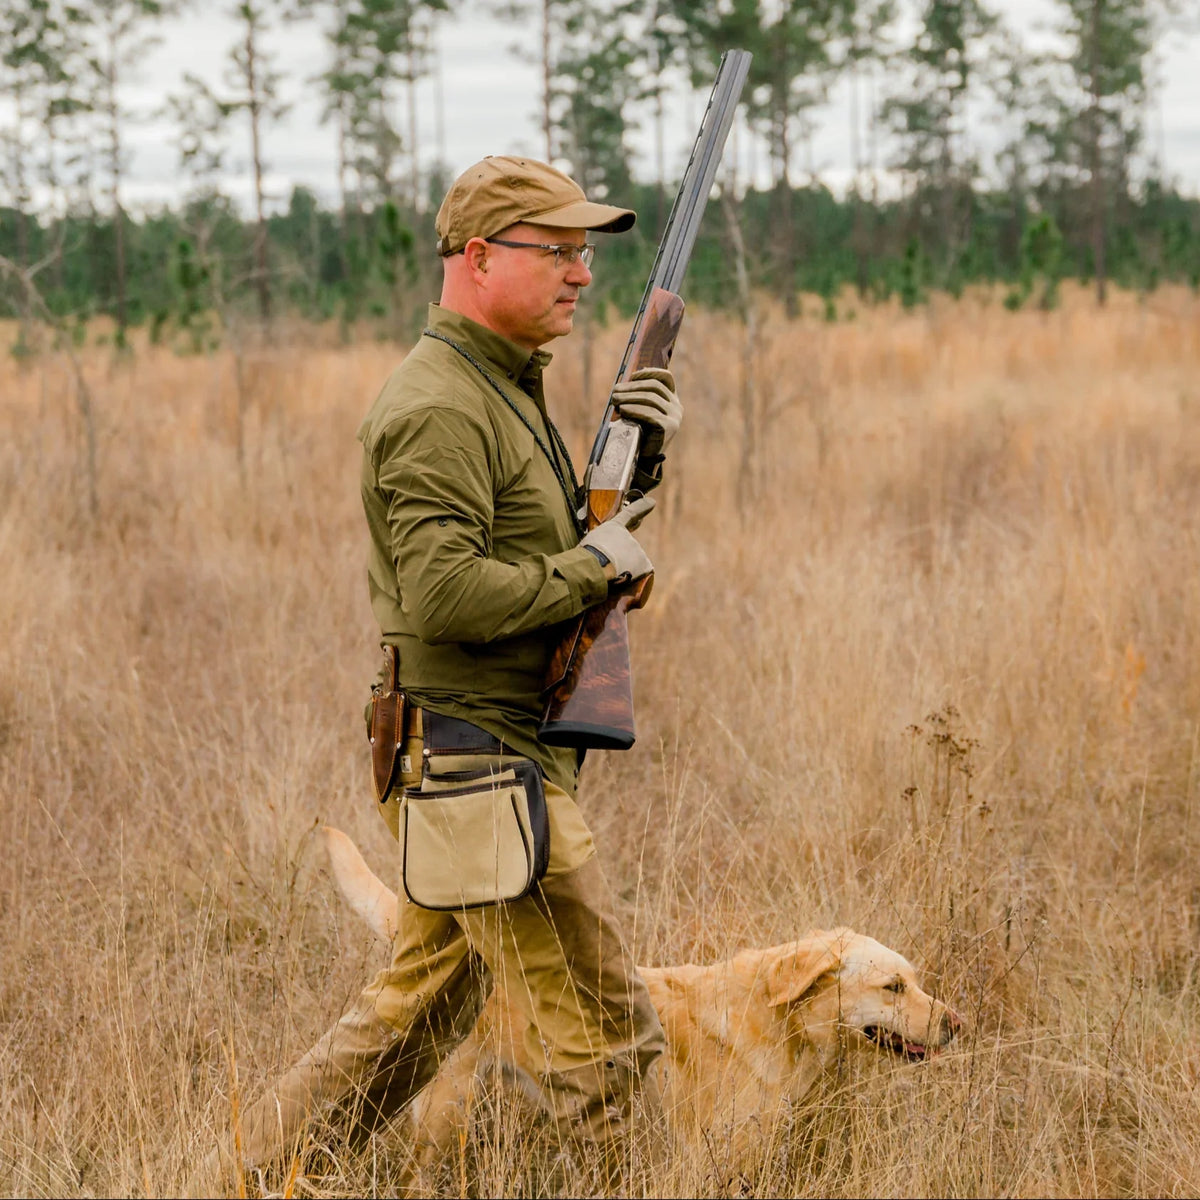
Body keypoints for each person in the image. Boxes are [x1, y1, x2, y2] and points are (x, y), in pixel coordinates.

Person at [228, 156, 684, 1184]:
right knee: (609, 1042)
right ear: (477, 258)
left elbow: (554, 563)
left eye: (585, 253)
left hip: (491, 765)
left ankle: (252, 1178)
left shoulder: (502, 388)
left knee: (412, 1020)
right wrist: (588, 564)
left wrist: (635, 470)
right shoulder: (438, 406)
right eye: (557, 251)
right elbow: (443, 597)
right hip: (477, 772)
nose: (581, 274)